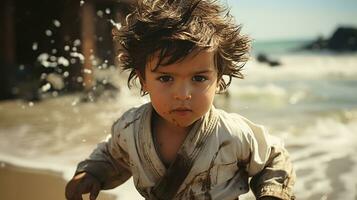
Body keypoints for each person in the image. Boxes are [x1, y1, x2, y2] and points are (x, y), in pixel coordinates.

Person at [65, 0, 296, 199]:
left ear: (219, 80)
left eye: (199, 78)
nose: (183, 94)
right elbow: (111, 155)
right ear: (143, 80)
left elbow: (273, 157)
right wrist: (91, 173)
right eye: (165, 78)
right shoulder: (130, 129)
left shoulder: (232, 133)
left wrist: (272, 194)